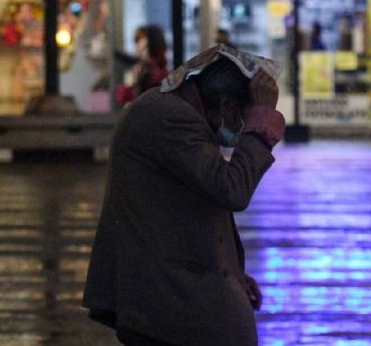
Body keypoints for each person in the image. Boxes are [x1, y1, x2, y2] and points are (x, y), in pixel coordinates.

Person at [83, 49, 286, 346]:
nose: (241, 128)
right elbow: (232, 189)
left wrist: (229, 272)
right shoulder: (169, 117)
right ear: (226, 104)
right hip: (167, 306)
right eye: (243, 117)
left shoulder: (177, 115)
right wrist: (261, 125)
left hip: (175, 299)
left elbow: (186, 206)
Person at [117, 25, 169, 105]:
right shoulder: (138, 68)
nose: (138, 47)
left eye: (145, 47)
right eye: (136, 42)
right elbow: (123, 98)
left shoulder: (159, 73)